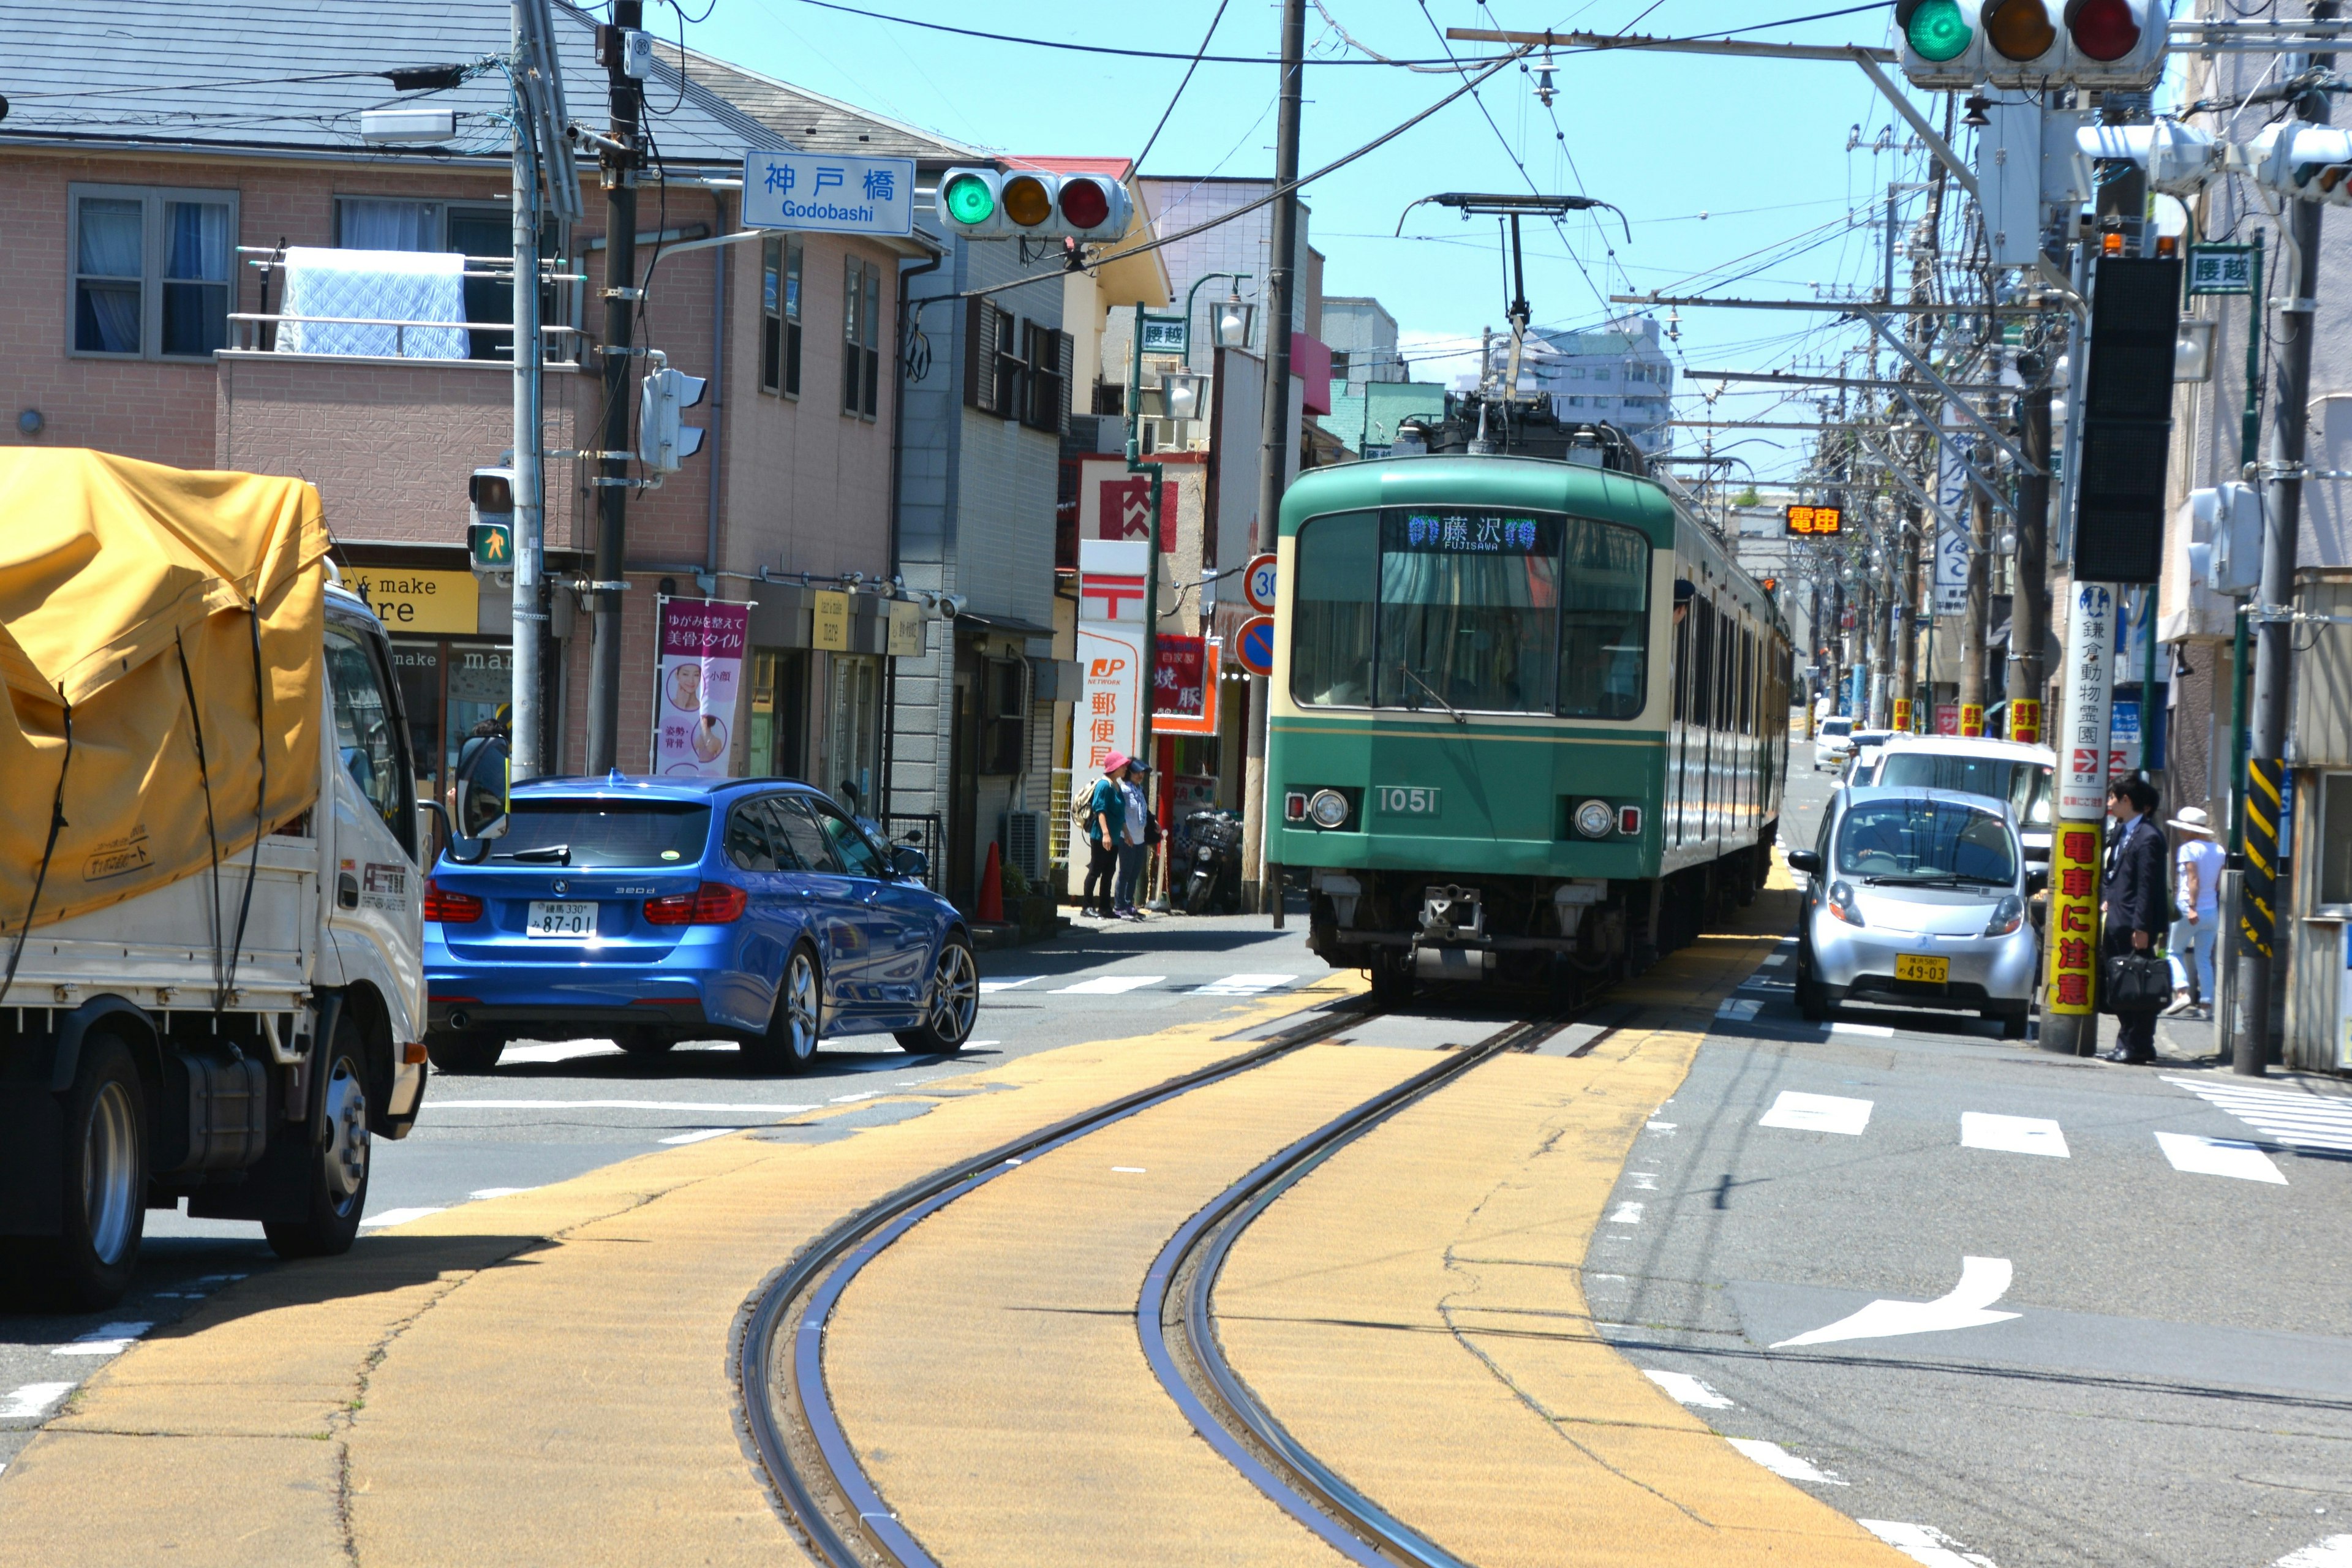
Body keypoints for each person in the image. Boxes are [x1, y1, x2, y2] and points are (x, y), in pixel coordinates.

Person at [2099, 777, 2169, 1065]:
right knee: (2122, 983)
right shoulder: (2121, 832)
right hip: (2115, 917)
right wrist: (2107, 895)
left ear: (2128, 800)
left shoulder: (2149, 837)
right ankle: (2138, 1042)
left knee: (2136, 986)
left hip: (2134, 923)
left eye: (2113, 798)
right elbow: (2111, 872)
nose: (2109, 803)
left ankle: (2134, 1044)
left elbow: (2147, 887)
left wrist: (2142, 928)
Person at [2164, 806, 2225, 1017]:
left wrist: (2191, 907)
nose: (2181, 832)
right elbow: (2217, 885)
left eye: (2183, 828)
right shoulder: (2218, 850)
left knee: (2173, 952)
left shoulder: (2188, 849)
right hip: (2212, 911)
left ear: (2191, 830)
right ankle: (2207, 1006)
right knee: (2204, 958)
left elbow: (2193, 880)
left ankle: (2182, 993)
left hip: (2189, 908)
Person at [1080, 753, 1129, 921]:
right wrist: (1106, 834)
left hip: (1114, 837)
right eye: (1122, 766)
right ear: (1114, 767)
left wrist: (1127, 833)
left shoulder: (1116, 786)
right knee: (1095, 870)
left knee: (1109, 871)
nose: (1125, 768)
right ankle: (1087, 907)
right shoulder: (1104, 786)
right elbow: (1100, 810)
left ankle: (1104, 907)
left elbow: (1121, 814)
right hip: (1101, 836)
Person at [1114, 755, 1152, 920]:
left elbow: (1146, 810)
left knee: (1135, 872)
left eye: (1142, 772)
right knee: (1125, 872)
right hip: (1126, 836)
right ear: (1128, 773)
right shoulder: (1123, 790)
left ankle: (1129, 904)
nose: (1140, 775)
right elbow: (1120, 814)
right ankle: (1119, 906)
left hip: (1140, 837)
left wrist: (1154, 822)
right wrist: (1126, 833)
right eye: (1137, 772)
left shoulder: (1139, 789)